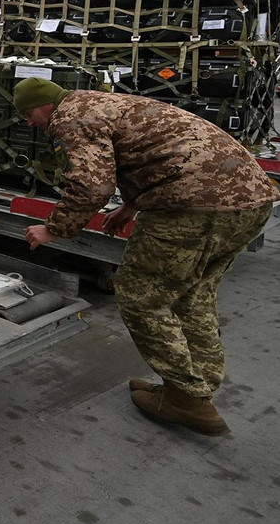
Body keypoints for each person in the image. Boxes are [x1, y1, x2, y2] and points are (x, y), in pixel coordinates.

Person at [14, 77, 278, 435]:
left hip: (193, 207)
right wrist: (131, 205)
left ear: (45, 105)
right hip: (251, 201)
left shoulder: (70, 117)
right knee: (192, 295)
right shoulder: (101, 103)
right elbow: (155, 153)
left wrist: (55, 229)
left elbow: (92, 185)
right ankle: (194, 387)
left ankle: (186, 398)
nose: (30, 123)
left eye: (28, 115)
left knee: (141, 296)